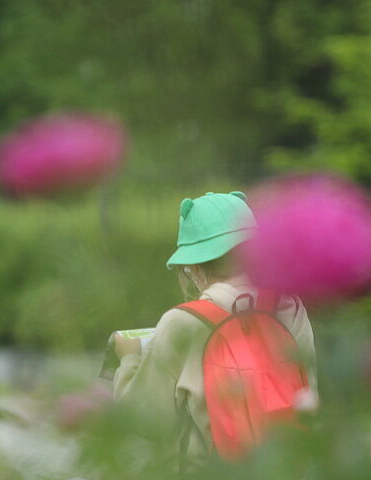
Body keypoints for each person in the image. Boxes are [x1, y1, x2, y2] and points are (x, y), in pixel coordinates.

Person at [111, 191, 317, 461]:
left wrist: (128, 361)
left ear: (195, 268)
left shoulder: (183, 322)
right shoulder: (289, 305)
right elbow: (308, 394)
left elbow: (144, 421)